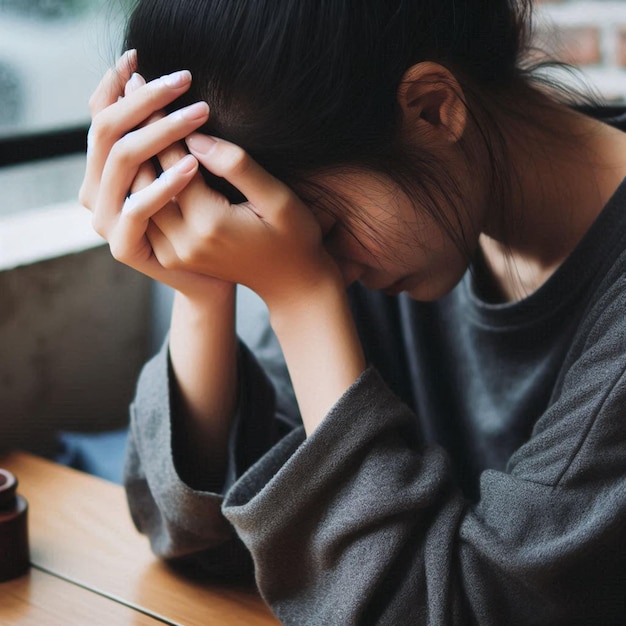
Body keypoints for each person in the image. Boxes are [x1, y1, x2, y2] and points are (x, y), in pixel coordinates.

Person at [79, 0, 626, 623]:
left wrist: (301, 297)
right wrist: (202, 290)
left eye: (324, 232)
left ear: (431, 108)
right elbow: (198, 536)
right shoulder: (389, 222)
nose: (326, 274)